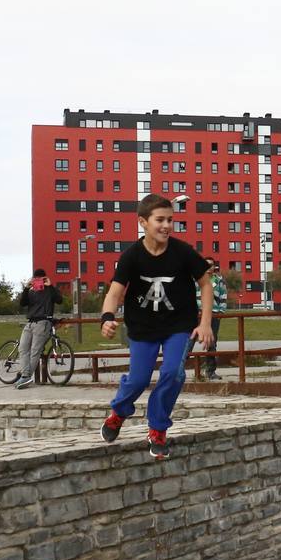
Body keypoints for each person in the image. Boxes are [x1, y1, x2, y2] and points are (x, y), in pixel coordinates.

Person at [98, 194, 214, 459]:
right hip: (143, 328)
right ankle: (119, 412)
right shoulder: (131, 256)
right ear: (143, 222)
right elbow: (115, 292)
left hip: (178, 326)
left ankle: (157, 428)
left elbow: (206, 284)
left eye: (170, 220)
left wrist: (205, 322)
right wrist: (107, 317)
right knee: (138, 379)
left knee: (173, 373)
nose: (166, 226)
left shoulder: (182, 252)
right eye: (160, 220)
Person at [16, 269, 64, 389]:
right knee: (23, 348)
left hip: (43, 322)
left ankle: (26, 376)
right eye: (36, 279)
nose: (38, 282)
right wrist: (27, 288)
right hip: (30, 323)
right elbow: (22, 303)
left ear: (44, 279)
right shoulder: (31, 292)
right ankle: (25, 375)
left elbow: (59, 300)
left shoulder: (50, 291)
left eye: (40, 279)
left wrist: (50, 285)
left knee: (35, 350)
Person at [203, 258, 227, 381]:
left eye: (211, 265)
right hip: (199, 314)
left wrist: (221, 312)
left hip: (214, 314)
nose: (208, 267)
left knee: (212, 343)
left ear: (214, 267)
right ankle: (178, 371)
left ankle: (210, 371)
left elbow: (223, 296)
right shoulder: (197, 280)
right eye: (205, 265)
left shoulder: (219, 281)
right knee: (188, 342)